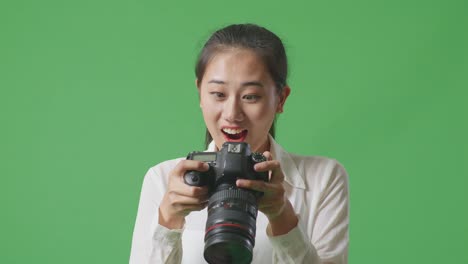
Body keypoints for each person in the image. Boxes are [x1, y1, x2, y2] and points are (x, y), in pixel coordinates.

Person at [129, 23, 349, 264]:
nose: (232, 113)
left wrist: (281, 215)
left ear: (280, 99)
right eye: (219, 94)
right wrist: (168, 221)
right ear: (200, 93)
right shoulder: (163, 180)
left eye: (250, 97)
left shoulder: (323, 178)